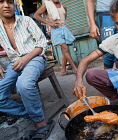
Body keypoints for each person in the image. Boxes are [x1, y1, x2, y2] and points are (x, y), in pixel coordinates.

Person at [0, 0, 55, 139]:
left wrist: (26, 58)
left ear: (15, 5)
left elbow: (42, 43)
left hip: (34, 57)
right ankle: (32, 113)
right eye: (1, 2)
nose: (6, 5)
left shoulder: (26, 20)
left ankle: (40, 123)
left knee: (24, 85)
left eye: (10, 2)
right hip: (14, 62)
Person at [34, 0, 77, 75]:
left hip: (64, 28)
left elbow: (64, 18)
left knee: (65, 49)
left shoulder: (63, 6)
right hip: (55, 30)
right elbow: (36, 15)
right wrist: (49, 23)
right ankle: (75, 68)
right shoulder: (47, 5)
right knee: (65, 48)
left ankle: (63, 70)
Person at [86, 0, 118, 69]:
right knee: (108, 51)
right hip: (105, 15)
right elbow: (90, 1)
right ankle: (106, 78)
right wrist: (92, 24)